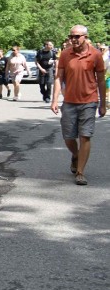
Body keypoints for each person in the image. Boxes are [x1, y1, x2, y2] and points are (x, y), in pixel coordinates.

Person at [50, 25, 106, 186]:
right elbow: (59, 78)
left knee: (85, 136)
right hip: (69, 102)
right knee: (68, 137)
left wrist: (103, 103)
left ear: (85, 37)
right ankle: (76, 154)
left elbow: (101, 80)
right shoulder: (66, 55)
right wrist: (54, 100)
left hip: (89, 101)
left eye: (77, 37)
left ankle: (80, 172)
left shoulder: (95, 55)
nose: (73, 39)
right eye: (71, 36)